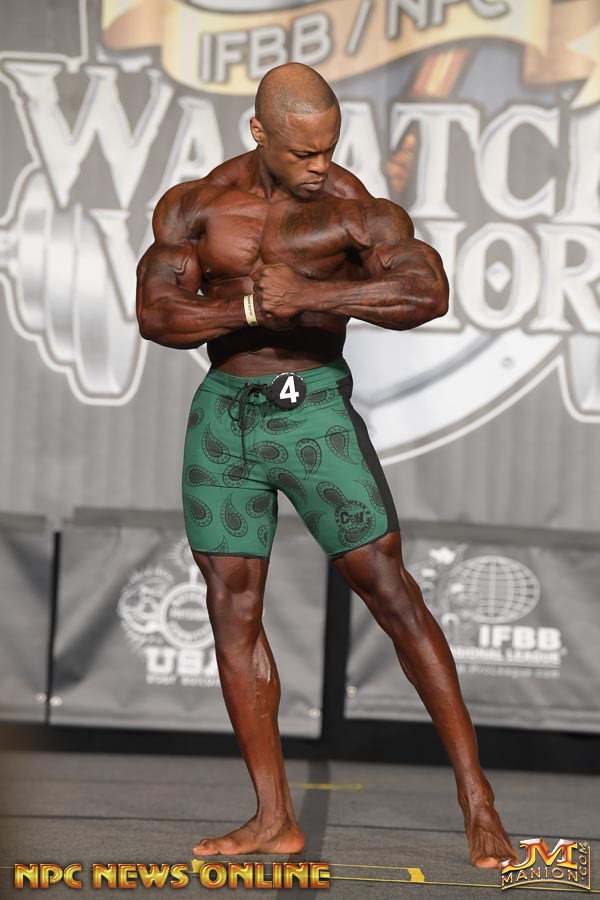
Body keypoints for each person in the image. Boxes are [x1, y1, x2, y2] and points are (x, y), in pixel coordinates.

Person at [136, 62, 518, 870]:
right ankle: (273, 817)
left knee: (391, 592)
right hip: (225, 419)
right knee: (231, 608)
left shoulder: (349, 209)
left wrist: (313, 299)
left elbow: (427, 291)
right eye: (303, 152)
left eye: (329, 149)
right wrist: (249, 306)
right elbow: (157, 313)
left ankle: (478, 800)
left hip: (312, 410)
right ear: (259, 132)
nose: (320, 166)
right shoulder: (194, 206)